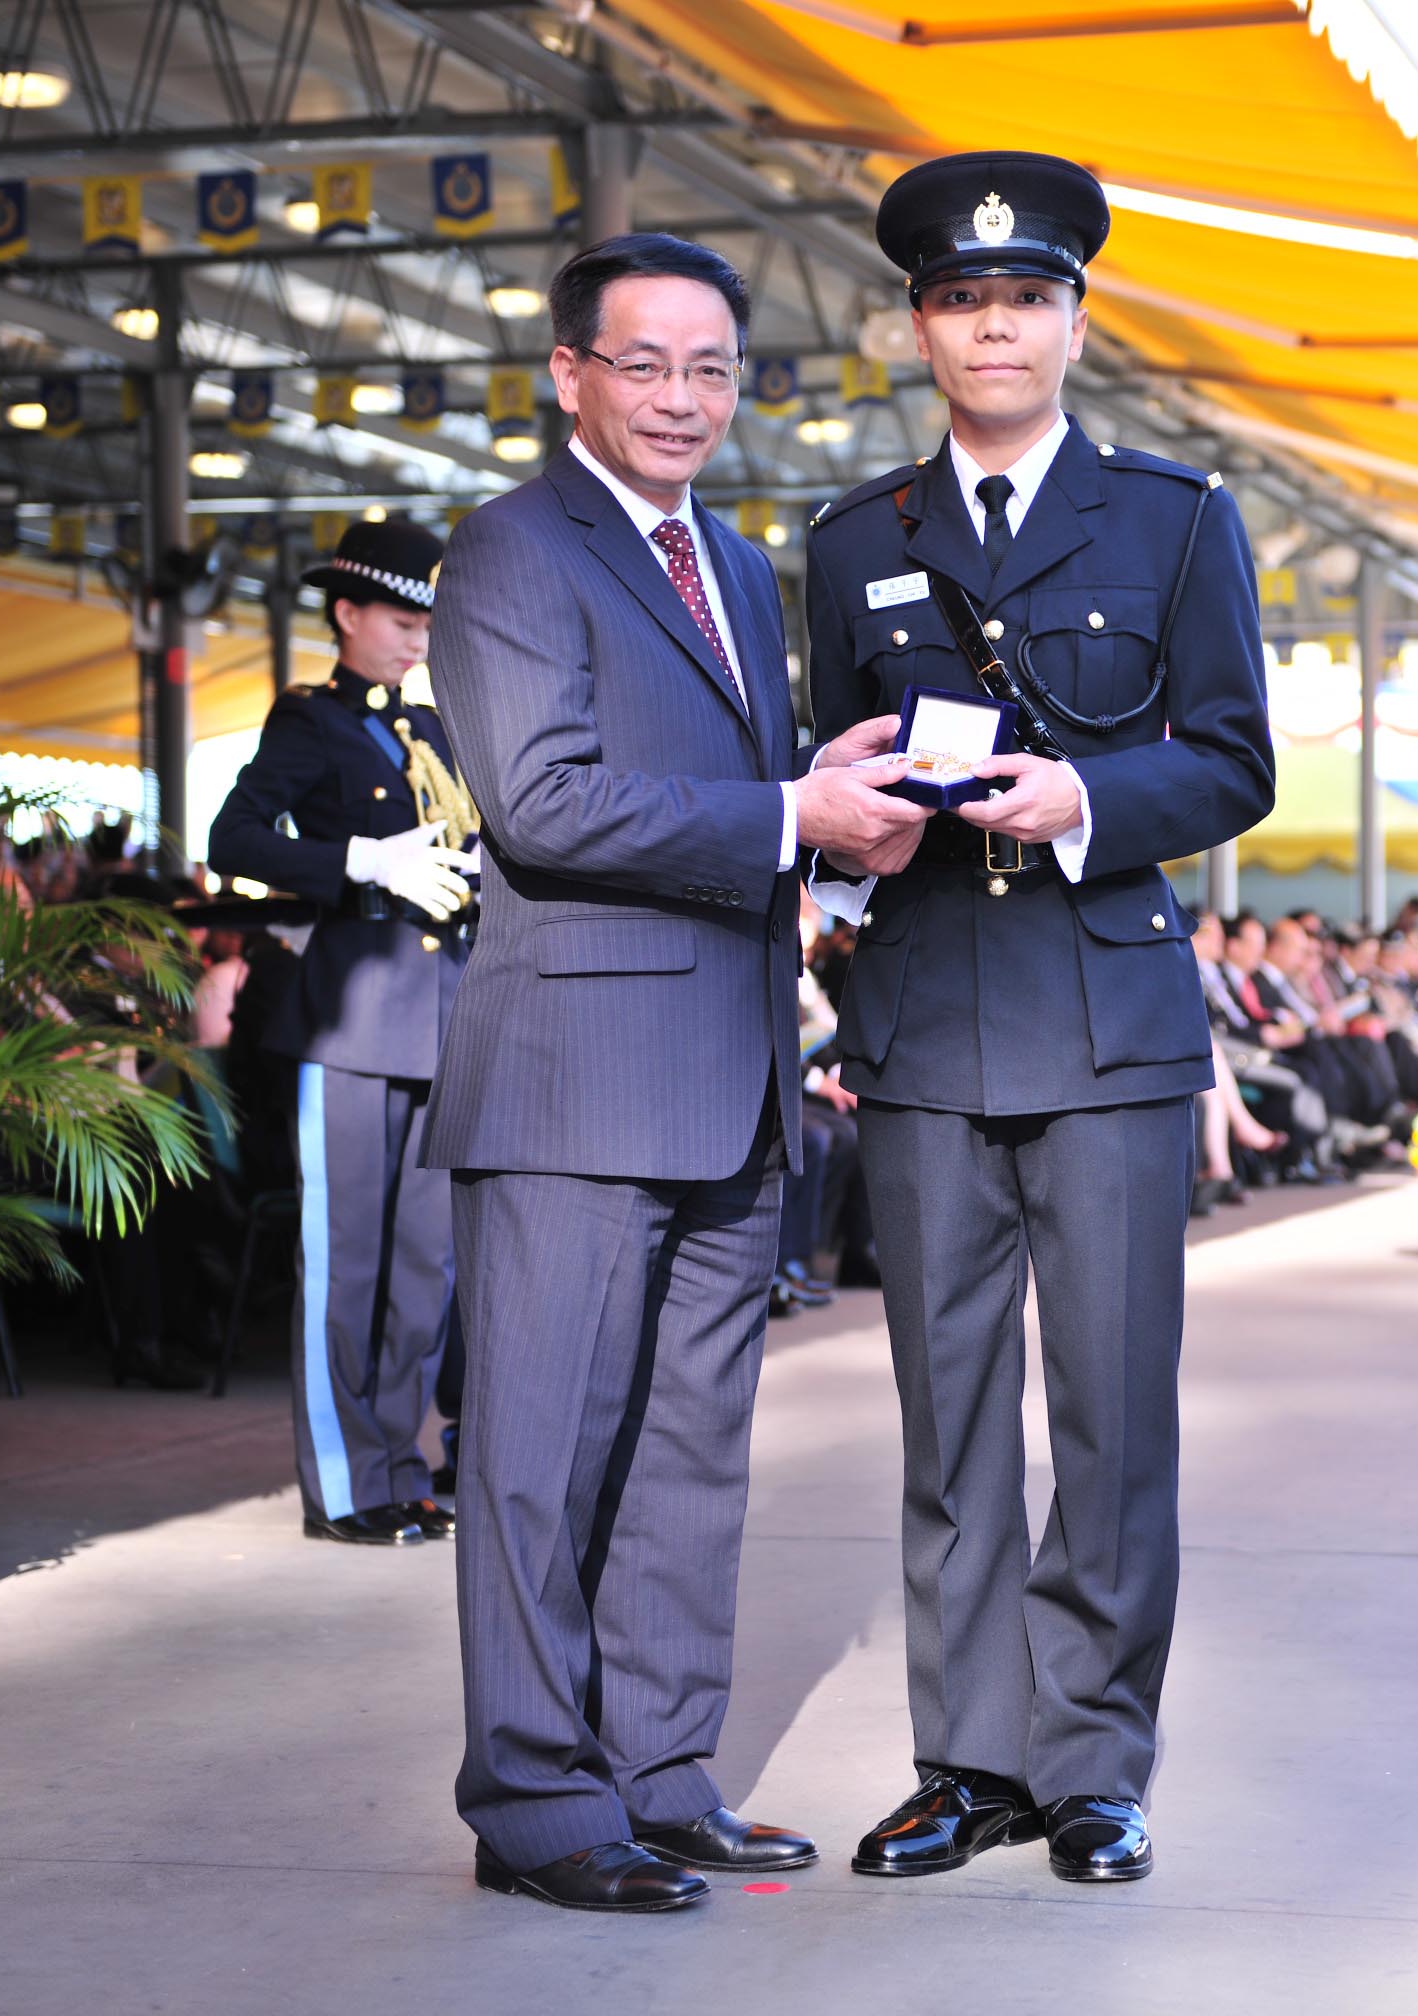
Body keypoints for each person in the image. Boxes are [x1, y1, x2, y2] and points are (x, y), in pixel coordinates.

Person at [422, 231, 927, 1916]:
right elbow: (543, 803)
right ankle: (535, 1800)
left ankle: (654, 1772)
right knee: (539, 1459)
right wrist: (790, 815)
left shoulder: (723, 556)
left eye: (709, 366)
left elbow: (692, 792)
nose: (681, 396)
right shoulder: (509, 551)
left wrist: (807, 775)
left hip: (722, 1079)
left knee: (684, 1459)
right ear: (566, 374)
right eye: (642, 362)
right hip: (574, 1082)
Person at [803, 151, 1273, 1886]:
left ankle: (1090, 1763)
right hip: (923, 1022)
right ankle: (967, 1761)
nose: (991, 326)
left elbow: (1232, 758)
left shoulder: (1173, 518)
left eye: (1023, 298)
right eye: (957, 300)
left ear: (1074, 319)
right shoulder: (854, 539)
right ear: (919, 323)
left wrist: (1076, 800)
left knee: (1107, 1415)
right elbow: (836, 765)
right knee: (944, 1415)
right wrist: (840, 819)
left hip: (1104, 1026)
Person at [207, 518, 475, 1511]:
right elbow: (231, 836)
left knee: (424, 1269)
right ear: (347, 612)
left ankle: (400, 1467)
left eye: (425, 623)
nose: (415, 639)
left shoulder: (434, 731)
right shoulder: (309, 722)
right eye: (399, 618)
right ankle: (344, 1482)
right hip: (354, 1019)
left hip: (444, 1018)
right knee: (345, 1264)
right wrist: (362, 861)